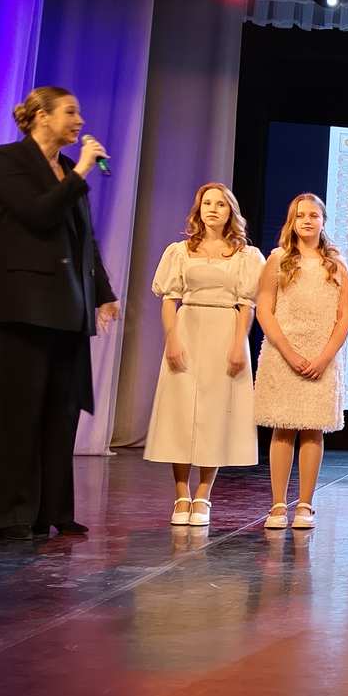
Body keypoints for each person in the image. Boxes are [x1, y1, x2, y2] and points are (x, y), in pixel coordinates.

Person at [0, 86, 120, 541]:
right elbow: (37, 215)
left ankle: (53, 510)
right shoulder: (11, 160)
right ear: (42, 116)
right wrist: (80, 172)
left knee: (62, 410)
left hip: (69, 306)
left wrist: (103, 292)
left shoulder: (67, 168)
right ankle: (13, 514)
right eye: (70, 112)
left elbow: (85, 238)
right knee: (21, 411)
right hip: (26, 305)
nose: (80, 121)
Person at [145, 183, 264, 526]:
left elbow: (247, 305)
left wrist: (238, 343)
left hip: (224, 330)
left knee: (215, 414)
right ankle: (181, 493)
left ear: (231, 212)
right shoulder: (180, 251)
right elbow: (170, 299)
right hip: (188, 329)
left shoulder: (244, 256)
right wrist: (172, 339)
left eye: (221, 204)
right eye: (207, 203)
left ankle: (203, 493)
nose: (213, 209)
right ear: (199, 209)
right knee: (181, 412)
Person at [253, 193, 348, 530]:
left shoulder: (336, 265)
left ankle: (306, 504)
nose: (307, 221)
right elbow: (265, 309)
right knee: (283, 427)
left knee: (312, 429)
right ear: (292, 222)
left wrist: (324, 356)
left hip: (321, 355)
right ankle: (278, 504)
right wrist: (288, 351)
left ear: (323, 221)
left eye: (313, 215)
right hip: (284, 353)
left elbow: (345, 316)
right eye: (301, 215)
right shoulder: (278, 260)